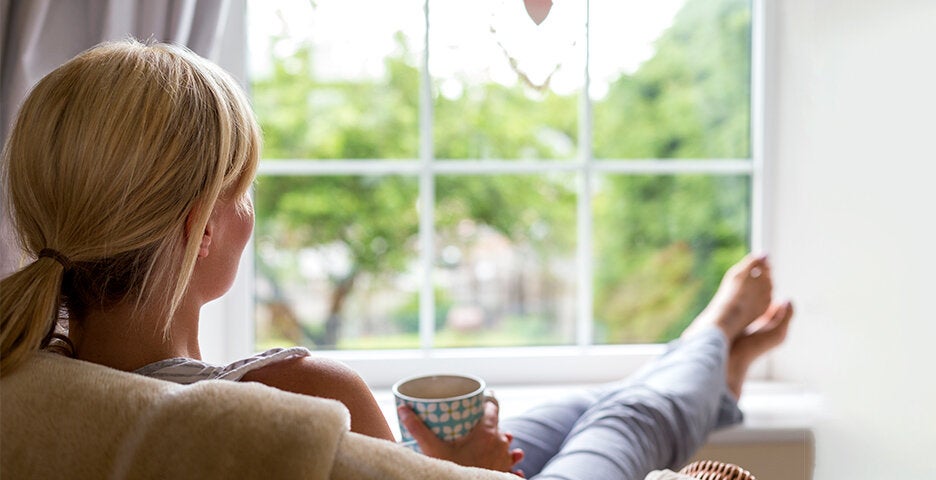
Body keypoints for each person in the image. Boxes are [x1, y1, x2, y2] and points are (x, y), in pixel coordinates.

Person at [0, 40, 792, 479]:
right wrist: (474, 472)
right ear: (200, 228)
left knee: (588, 405)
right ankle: (715, 345)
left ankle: (705, 357)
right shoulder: (300, 400)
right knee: (630, 419)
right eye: (242, 193)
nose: (251, 212)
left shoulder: (39, 372)